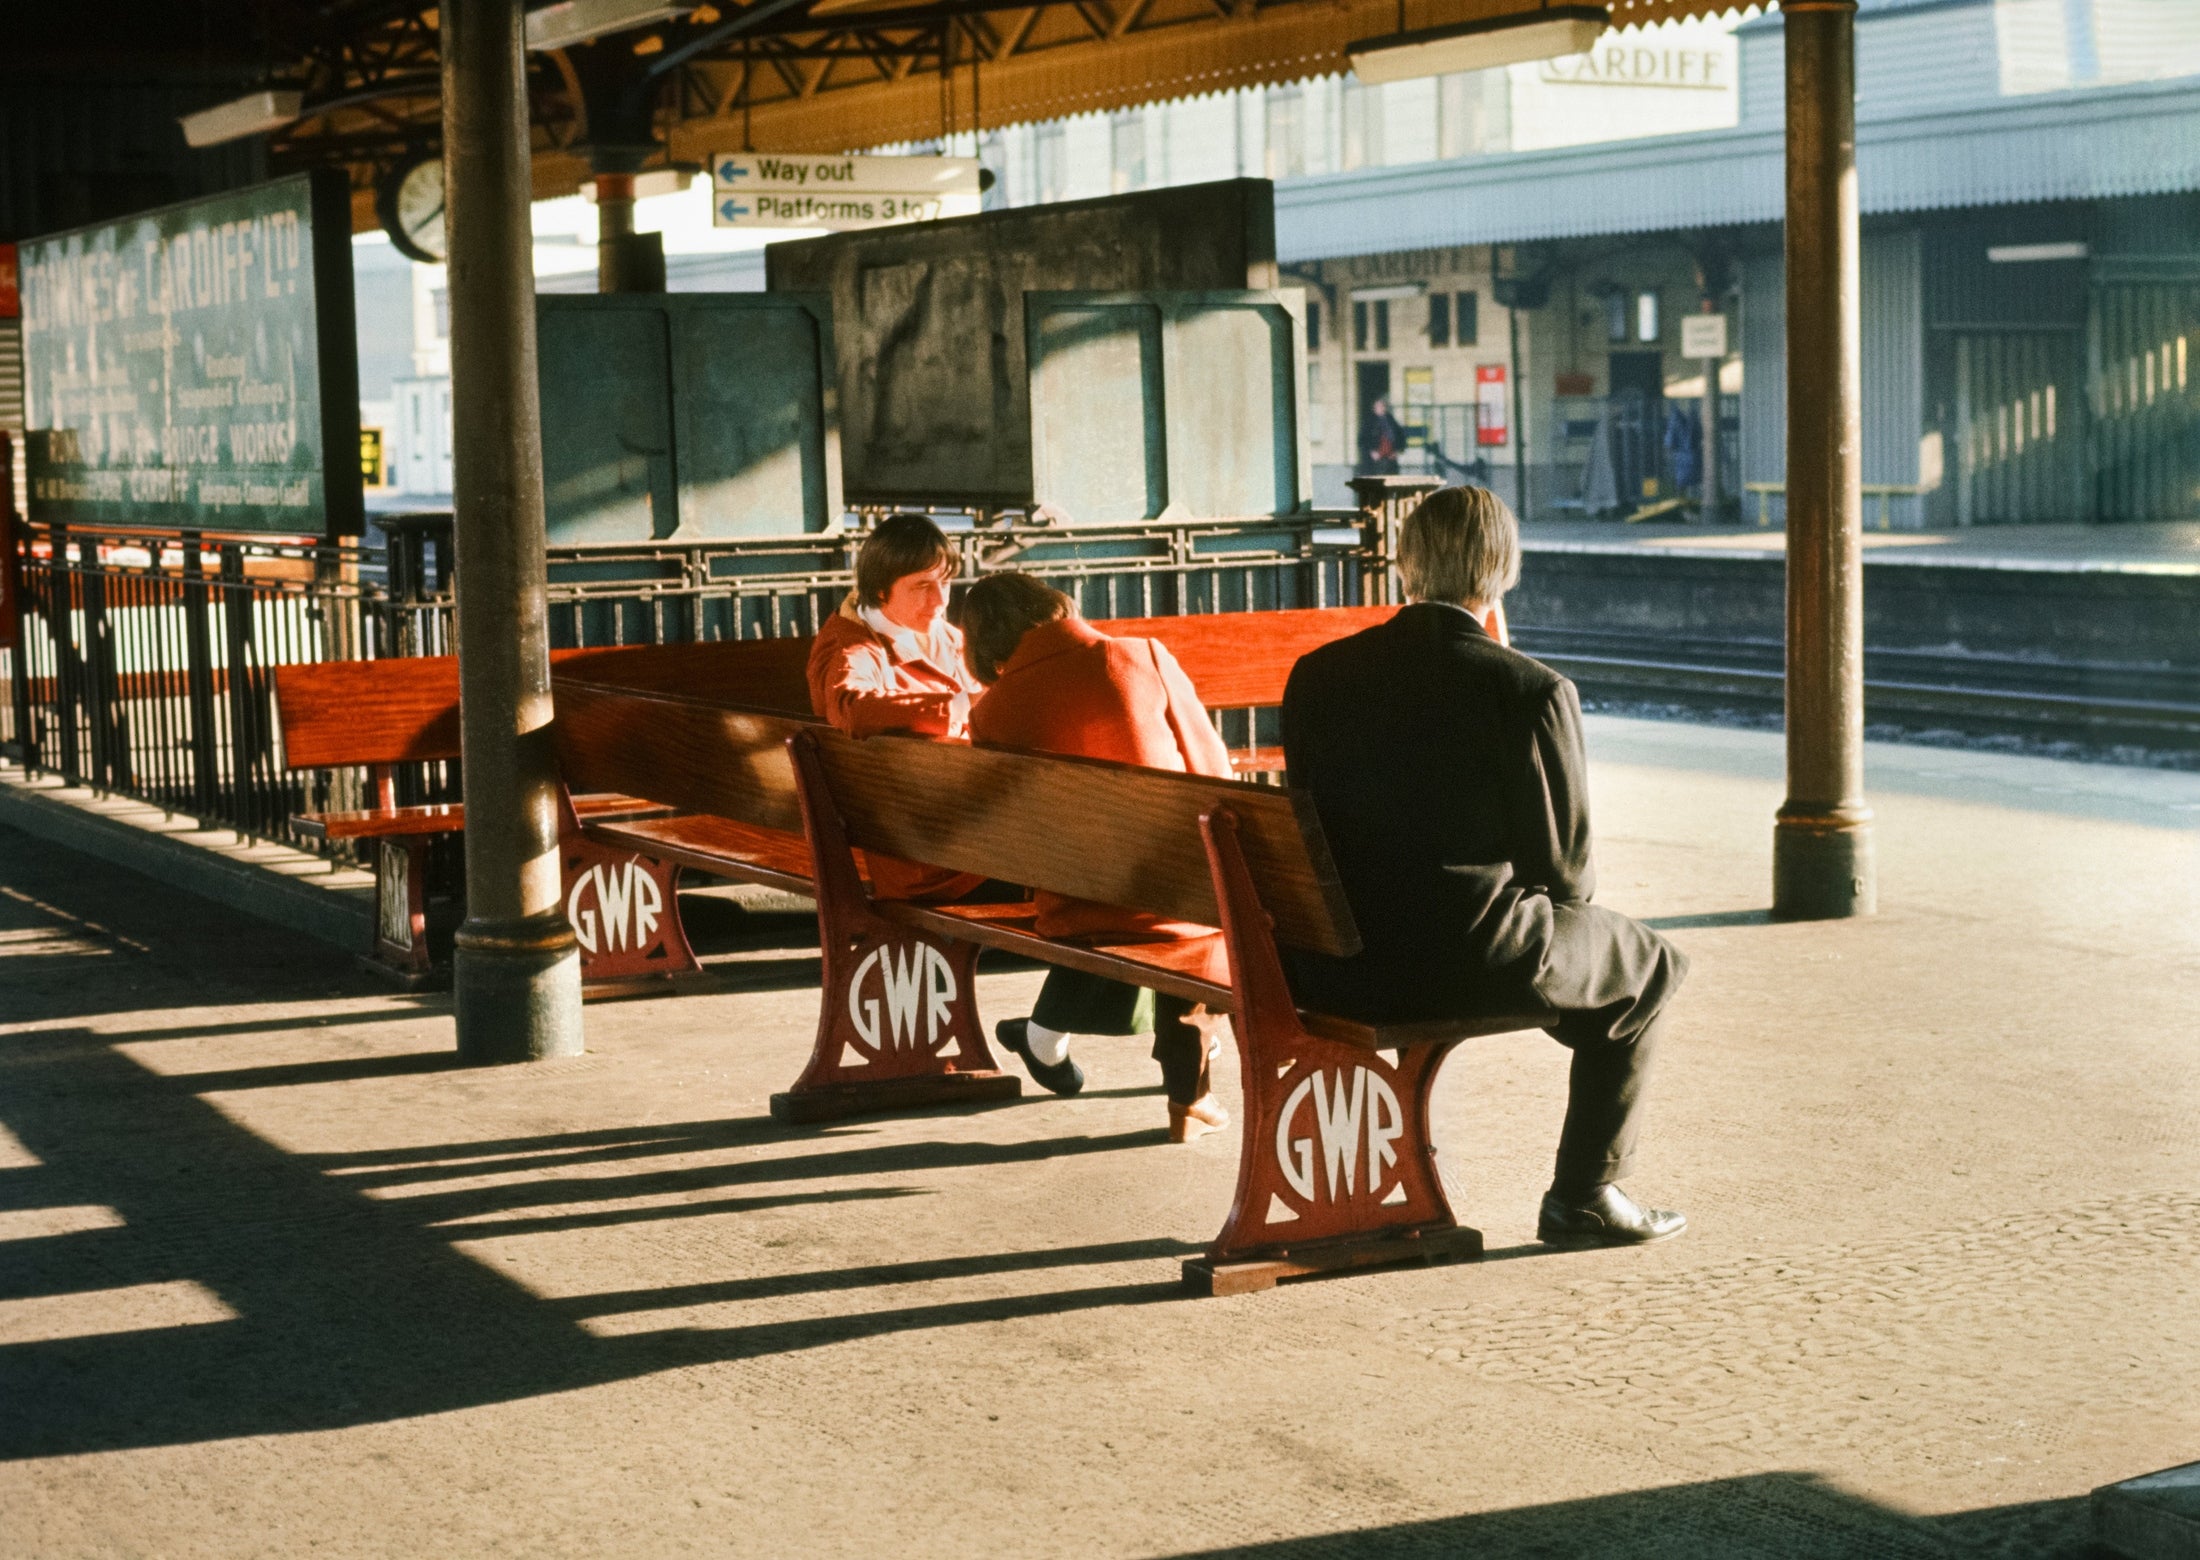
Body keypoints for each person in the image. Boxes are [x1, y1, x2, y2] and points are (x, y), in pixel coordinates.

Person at [1280, 485, 1689, 1247]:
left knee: (1600, 961)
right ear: (1501, 569)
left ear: (1406, 566)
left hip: (1333, 961)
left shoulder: (1319, 675)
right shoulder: (1531, 689)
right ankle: (1584, 1194)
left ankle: (1585, 1190)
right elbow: (1569, 879)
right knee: (1649, 966)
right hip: (1468, 961)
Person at [959, 572, 1237, 1143]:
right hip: (1179, 896)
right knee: (1195, 904)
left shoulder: (992, 710)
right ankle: (1191, 1094)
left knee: (1138, 899)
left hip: (1078, 907)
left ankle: (1051, 1038)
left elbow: (1009, 831)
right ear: (1052, 606)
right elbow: (1214, 772)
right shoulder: (1143, 656)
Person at [806, 513, 988, 901]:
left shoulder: (948, 637)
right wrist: (958, 706)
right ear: (881, 590)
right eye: (922, 585)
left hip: (966, 828)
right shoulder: (852, 644)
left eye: (945, 582)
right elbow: (852, 708)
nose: (940, 600)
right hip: (923, 857)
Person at [1359, 396, 1404, 476]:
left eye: (1383, 406)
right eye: (1378, 406)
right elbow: (1362, 440)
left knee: (1391, 480)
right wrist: (1372, 451)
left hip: (1390, 456)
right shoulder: (1368, 421)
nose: (1381, 408)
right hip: (1375, 457)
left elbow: (1400, 435)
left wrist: (1397, 451)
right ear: (1374, 408)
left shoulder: (1391, 419)